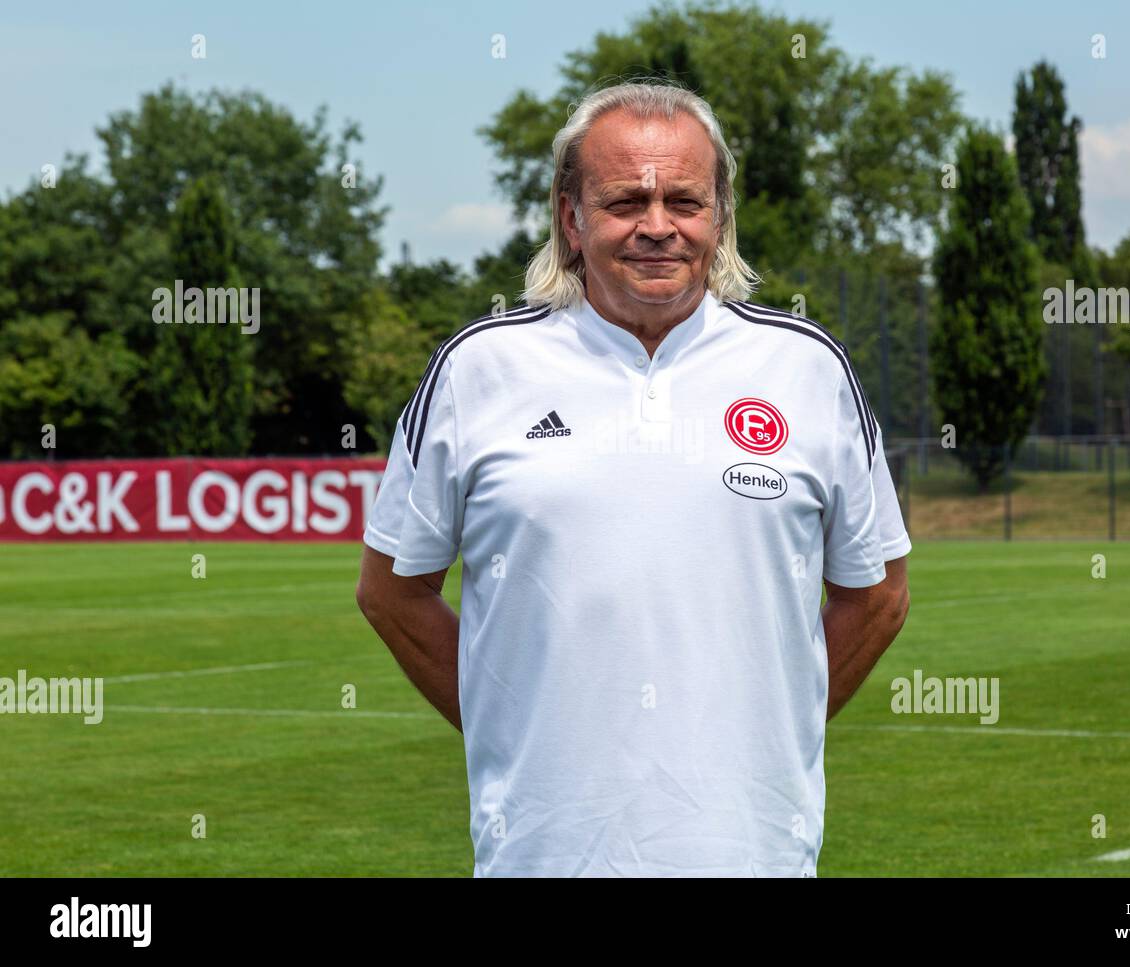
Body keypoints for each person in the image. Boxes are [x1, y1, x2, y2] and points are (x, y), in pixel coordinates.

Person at [356, 79, 911, 876]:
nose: (658, 226)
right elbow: (391, 589)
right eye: (624, 202)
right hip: (542, 856)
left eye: (684, 200)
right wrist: (513, 722)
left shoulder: (806, 368)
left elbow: (878, 594)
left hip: (752, 854)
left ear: (719, 216)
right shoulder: (478, 369)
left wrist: (764, 730)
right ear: (570, 217)